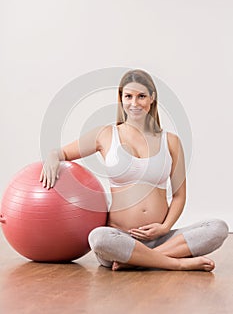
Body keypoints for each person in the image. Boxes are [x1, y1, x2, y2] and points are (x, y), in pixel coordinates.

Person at [40, 69, 229, 272]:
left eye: (141, 96)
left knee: (218, 228)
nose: (134, 103)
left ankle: (139, 260)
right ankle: (177, 263)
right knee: (98, 238)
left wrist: (164, 228)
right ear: (121, 99)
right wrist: (52, 158)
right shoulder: (106, 134)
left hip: (161, 238)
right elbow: (60, 153)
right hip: (120, 239)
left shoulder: (171, 141)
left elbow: (179, 196)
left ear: (152, 99)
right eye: (128, 96)